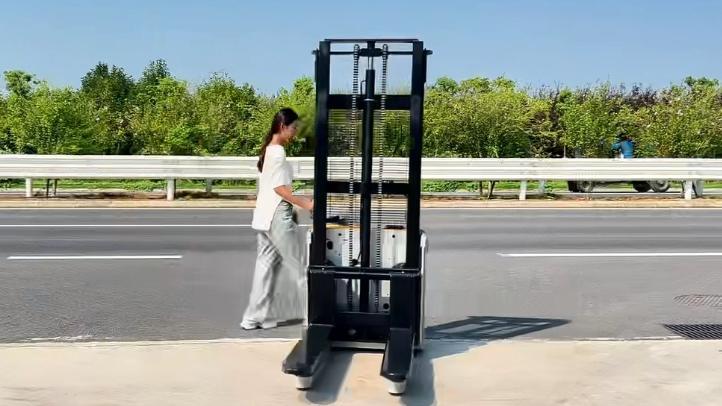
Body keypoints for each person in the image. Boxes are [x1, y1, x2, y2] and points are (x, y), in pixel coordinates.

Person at [241, 108, 313, 330]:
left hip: (264, 216)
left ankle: (251, 319)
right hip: (277, 216)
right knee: (299, 268)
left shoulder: (268, 150)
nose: (295, 132)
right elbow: (280, 189)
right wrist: (306, 204)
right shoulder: (278, 152)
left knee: (264, 269)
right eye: (293, 128)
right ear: (283, 127)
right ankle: (313, 317)